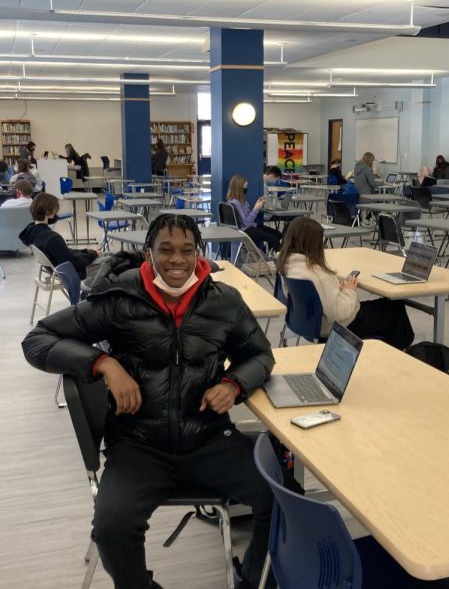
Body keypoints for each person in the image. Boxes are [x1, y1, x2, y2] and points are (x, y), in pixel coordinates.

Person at [22, 214, 274, 589]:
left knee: (281, 497)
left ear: (198, 254)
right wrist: (102, 362)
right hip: (138, 446)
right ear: (148, 253)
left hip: (208, 439)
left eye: (187, 250)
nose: (177, 260)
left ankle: (254, 580)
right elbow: (37, 340)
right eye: (166, 250)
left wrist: (234, 385)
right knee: (111, 528)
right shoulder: (120, 300)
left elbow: (261, 356)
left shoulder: (224, 302)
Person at [277, 216, 414, 349]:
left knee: (386, 310)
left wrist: (339, 288)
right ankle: (400, 351)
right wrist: (349, 291)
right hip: (337, 326)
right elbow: (337, 313)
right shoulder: (317, 276)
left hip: (309, 323)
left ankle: (390, 351)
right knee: (395, 308)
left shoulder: (288, 264)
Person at [18, 193, 98, 279]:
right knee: (109, 262)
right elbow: (73, 263)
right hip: (71, 273)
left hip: (56, 270)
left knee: (106, 257)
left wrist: (85, 251)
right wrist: (93, 254)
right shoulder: (51, 237)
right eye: (56, 209)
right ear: (49, 211)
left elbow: (63, 252)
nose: (57, 212)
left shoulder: (33, 231)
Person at [226, 174, 283, 253]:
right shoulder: (235, 203)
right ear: (239, 189)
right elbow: (246, 223)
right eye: (244, 188)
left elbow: (248, 218)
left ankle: (270, 253)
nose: (246, 189)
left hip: (252, 226)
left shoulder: (242, 200)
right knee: (273, 238)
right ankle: (280, 258)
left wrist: (257, 204)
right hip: (246, 230)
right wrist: (256, 209)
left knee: (278, 234)